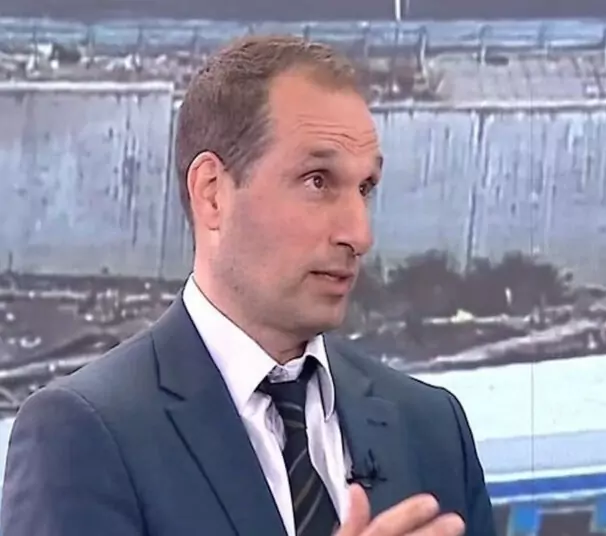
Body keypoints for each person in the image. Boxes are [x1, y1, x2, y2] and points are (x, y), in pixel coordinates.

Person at [0, 35, 495, 536]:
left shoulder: (431, 429)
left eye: (365, 187)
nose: (359, 234)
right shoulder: (82, 436)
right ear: (213, 194)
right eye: (318, 181)